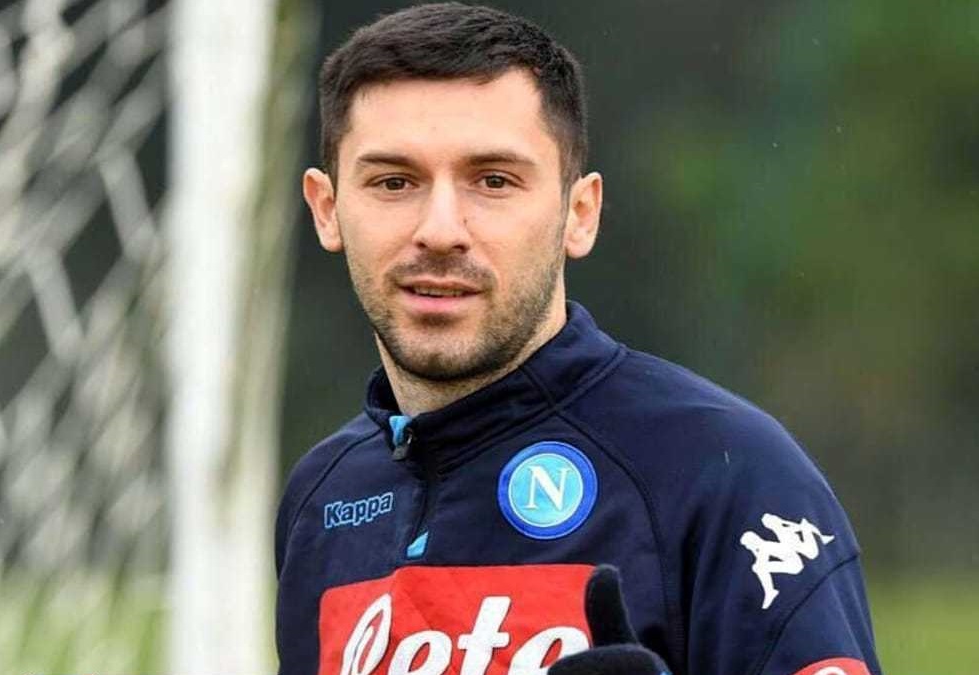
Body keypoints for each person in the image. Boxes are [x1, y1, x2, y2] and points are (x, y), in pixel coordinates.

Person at [275, 3, 882, 675]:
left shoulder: (729, 472)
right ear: (327, 209)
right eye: (393, 182)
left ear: (579, 213)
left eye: (494, 181)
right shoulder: (320, 498)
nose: (440, 229)